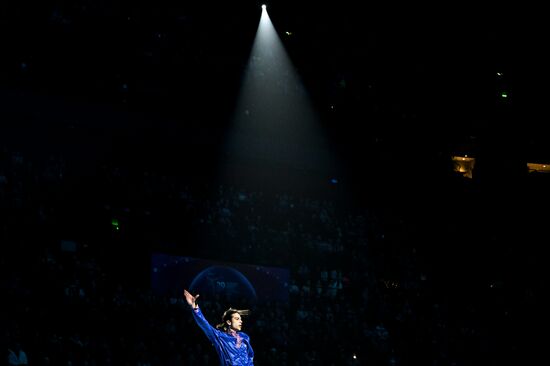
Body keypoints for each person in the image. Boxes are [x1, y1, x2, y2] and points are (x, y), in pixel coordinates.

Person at [184, 289, 254, 366]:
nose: (241, 321)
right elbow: (205, 325)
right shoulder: (220, 337)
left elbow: (250, 357)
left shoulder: (245, 337)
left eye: (240, 319)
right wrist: (195, 308)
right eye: (237, 319)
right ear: (229, 322)